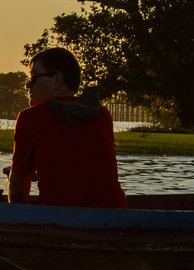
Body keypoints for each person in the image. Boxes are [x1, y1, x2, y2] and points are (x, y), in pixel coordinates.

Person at [8, 46, 127, 208]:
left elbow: (17, 192)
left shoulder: (30, 118)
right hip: (115, 215)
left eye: (34, 77)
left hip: (59, 218)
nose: (28, 85)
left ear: (57, 80)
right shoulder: (102, 115)